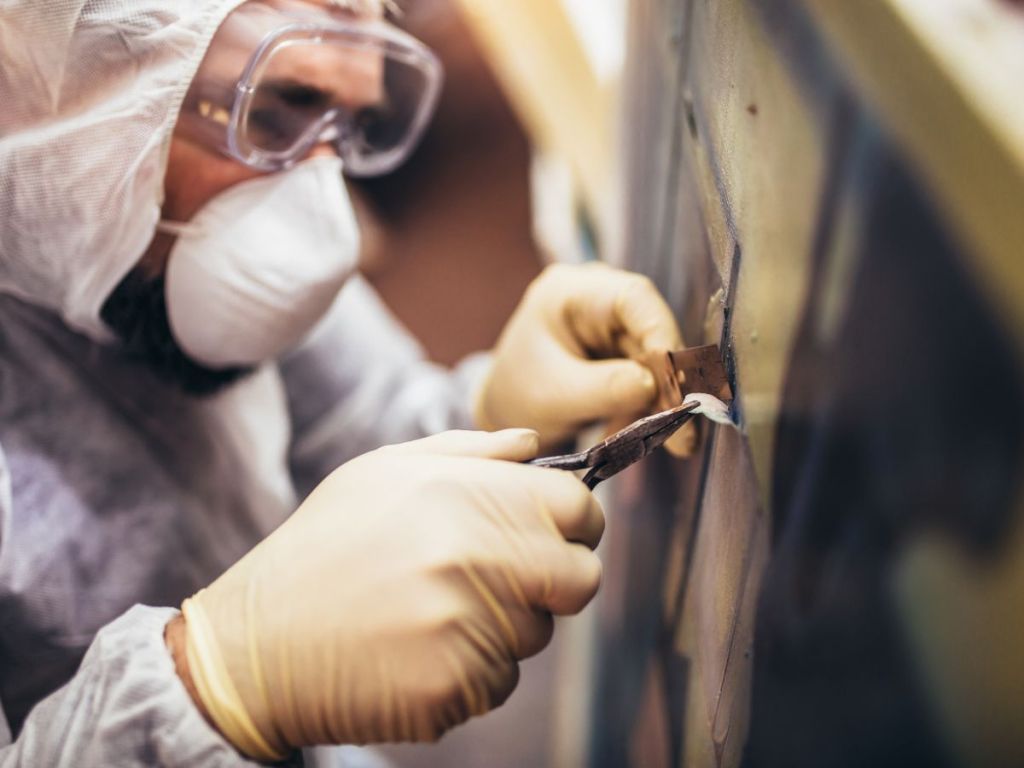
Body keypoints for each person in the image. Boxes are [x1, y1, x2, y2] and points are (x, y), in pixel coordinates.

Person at [0, 0, 694, 765]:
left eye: (345, 124)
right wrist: (214, 688)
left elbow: (351, 442)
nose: (321, 214)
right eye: (272, 110)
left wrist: (488, 413)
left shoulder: (208, 241)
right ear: (33, 77)